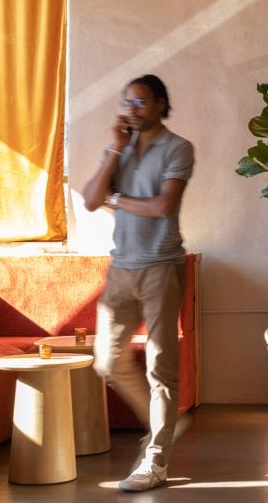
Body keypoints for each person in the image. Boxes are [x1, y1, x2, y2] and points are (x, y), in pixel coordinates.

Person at [83, 74, 194, 492]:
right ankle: (165, 424)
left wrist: (116, 200)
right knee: (108, 361)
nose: (131, 109)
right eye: (127, 102)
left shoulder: (178, 148)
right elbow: (90, 200)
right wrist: (115, 148)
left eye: (141, 102)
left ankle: (156, 460)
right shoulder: (119, 149)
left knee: (160, 367)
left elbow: (164, 205)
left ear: (161, 104)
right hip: (121, 269)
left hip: (161, 267)